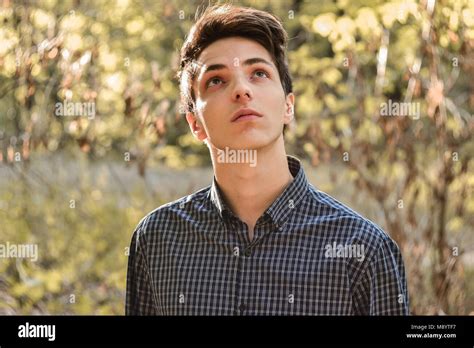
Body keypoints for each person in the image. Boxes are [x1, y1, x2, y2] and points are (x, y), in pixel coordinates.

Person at [125, 4, 409, 315]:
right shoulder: (156, 239)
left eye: (258, 73)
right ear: (195, 123)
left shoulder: (364, 250)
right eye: (217, 80)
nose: (242, 90)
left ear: (289, 106)